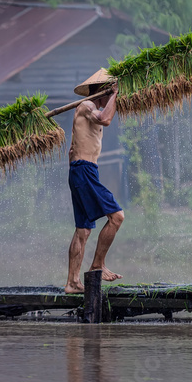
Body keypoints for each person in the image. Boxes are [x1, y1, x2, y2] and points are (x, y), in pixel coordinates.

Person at [65, 69, 125, 294]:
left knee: (83, 230)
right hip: (84, 171)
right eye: (106, 92)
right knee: (117, 216)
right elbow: (106, 119)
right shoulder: (88, 107)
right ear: (101, 90)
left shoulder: (89, 109)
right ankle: (97, 265)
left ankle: (72, 283)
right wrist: (115, 95)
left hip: (83, 170)